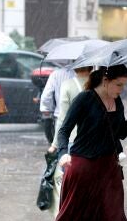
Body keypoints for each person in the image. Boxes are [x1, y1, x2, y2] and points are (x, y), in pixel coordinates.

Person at [55, 65, 127, 221]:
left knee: (113, 215)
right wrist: (63, 153)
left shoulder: (117, 102)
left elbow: (121, 133)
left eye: (123, 85)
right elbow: (64, 131)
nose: (121, 89)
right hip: (83, 167)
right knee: (77, 216)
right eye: (118, 84)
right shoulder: (84, 99)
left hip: (109, 169)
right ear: (105, 80)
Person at [47, 66, 93, 218]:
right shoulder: (99, 84)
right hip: (94, 143)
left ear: (75, 68)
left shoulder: (67, 85)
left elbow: (62, 119)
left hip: (73, 142)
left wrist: (55, 144)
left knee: (71, 184)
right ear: (91, 67)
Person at [40, 66, 75, 143]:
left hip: (60, 115)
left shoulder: (56, 74)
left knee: (61, 145)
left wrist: (47, 109)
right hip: (79, 118)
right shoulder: (83, 75)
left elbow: (46, 95)